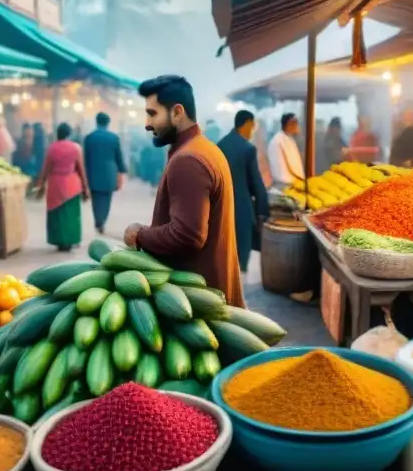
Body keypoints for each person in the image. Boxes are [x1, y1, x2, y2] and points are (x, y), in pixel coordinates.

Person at [123, 75, 244, 307]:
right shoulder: (205, 149)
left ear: (178, 112)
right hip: (208, 296)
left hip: (197, 304)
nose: (147, 124)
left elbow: (187, 235)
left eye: (152, 113)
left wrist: (139, 235)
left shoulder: (189, 159)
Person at [217, 110, 269, 276]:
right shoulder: (248, 149)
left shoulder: (220, 145)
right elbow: (256, 183)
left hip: (220, 208)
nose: (252, 131)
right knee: (240, 262)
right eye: (251, 127)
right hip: (241, 209)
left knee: (223, 256)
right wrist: (263, 211)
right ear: (246, 123)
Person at [36, 122, 89, 251]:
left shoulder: (51, 149)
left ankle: (59, 240)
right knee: (71, 214)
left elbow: (45, 169)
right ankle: (71, 240)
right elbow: (81, 170)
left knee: (57, 214)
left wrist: (41, 184)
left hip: (55, 184)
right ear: (69, 134)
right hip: (72, 184)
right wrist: (85, 188)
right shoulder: (76, 148)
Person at [84, 112, 127, 235]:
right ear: (108, 123)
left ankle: (98, 219)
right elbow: (118, 157)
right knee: (106, 199)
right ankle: (102, 220)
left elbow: (85, 158)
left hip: (92, 172)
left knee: (95, 199)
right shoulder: (114, 138)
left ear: (96, 121)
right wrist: (122, 172)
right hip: (109, 173)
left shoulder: (89, 138)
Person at [267, 113, 304, 190]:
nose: (298, 127)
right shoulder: (281, 140)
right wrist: (303, 180)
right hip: (285, 184)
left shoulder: (286, 138)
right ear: (290, 124)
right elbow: (293, 165)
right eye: (296, 124)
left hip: (287, 183)